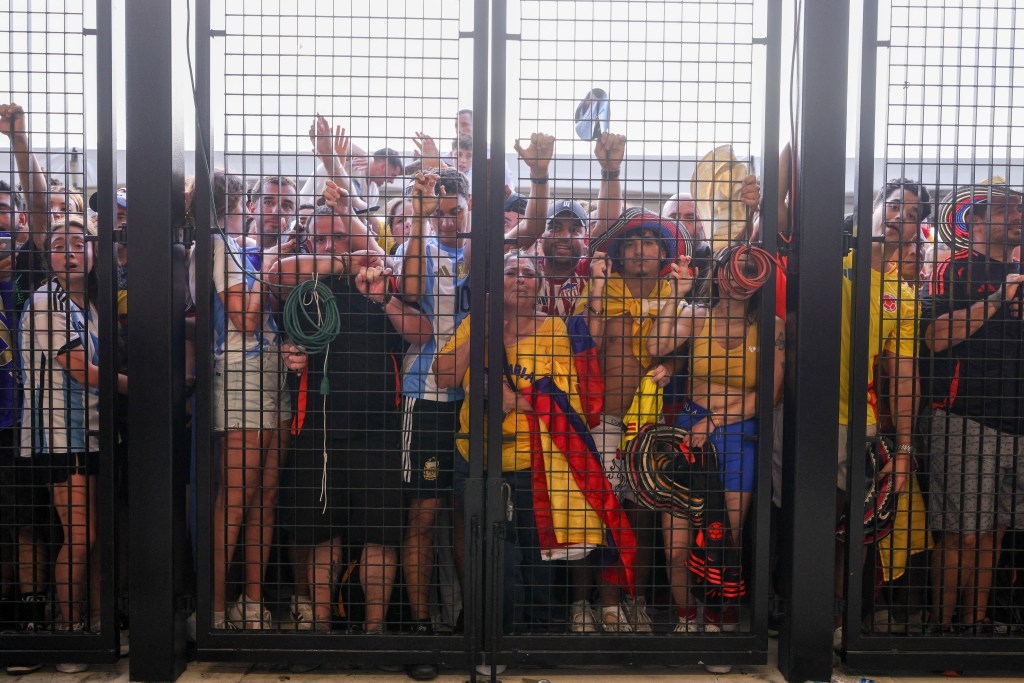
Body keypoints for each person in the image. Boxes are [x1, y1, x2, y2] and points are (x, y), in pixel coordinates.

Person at [435, 249, 633, 634]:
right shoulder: (476, 324)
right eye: (511, 271)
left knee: (536, 553)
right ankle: (489, 631)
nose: (521, 277)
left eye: (529, 273)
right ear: (496, 285)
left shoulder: (554, 330)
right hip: (475, 458)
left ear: (540, 288)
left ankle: (535, 637)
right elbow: (443, 376)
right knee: (487, 551)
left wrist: (512, 400)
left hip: (534, 460)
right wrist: (484, 331)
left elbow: (567, 399)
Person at [272, 189, 428, 634]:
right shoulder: (302, 288)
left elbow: (421, 333)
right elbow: (276, 272)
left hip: (379, 429)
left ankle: (375, 631)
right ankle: (320, 627)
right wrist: (291, 352)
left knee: (381, 536)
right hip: (316, 429)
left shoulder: (383, 279)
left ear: (355, 238)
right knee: (322, 538)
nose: (327, 247)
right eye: (317, 240)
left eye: (337, 238)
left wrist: (382, 298)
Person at [649, 246, 784, 632]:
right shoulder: (697, 314)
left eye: (749, 269)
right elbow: (656, 346)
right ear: (719, 272)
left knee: (723, 537)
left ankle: (715, 614)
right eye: (733, 267)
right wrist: (677, 293)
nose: (740, 277)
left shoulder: (772, 327)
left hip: (739, 434)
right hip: (688, 433)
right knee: (675, 545)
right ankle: (686, 614)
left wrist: (716, 421)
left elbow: (770, 394)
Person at [19, 216, 129, 673]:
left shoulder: (91, 304)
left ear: (94, 251)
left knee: (95, 536)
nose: (69, 251)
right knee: (79, 537)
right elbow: (79, 368)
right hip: (61, 435)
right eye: (59, 244)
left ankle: (97, 628)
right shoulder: (49, 301)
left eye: (78, 243)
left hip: (94, 432)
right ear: (48, 256)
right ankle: (69, 635)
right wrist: (141, 387)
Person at [921, 181, 1024, 634]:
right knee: (962, 532)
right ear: (975, 221)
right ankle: (941, 629)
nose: (1018, 216)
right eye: (1005, 210)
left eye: (1019, 209)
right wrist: (1001, 297)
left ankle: (975, 624)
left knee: (995, 533)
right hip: (965, 417)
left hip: (1018, 422)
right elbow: (934, 338)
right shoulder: (953, 269)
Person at [833, 179, 927, 649]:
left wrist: (905, 448)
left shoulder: (903, 296)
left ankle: (843, 624)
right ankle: (788, 615)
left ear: (916, 231)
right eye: (893, 207)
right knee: (797, 516)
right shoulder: (834, 260)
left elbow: (904, 375)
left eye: (911, 215)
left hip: (860, 425)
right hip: (804, 414)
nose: (899, 218)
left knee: (854, 528)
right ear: (872, 208)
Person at [192, 170, 281, 629]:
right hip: (241, 376)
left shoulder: (240, 246)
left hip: (275, 375)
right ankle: (214, 606)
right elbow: (244, 321)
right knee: (237, 495)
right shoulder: (214, 245)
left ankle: (253, 601)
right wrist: (270, 270)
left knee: (265, 494)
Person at [247, 175, 298, 250]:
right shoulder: (236, 257)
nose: (276, 211)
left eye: (286, 205)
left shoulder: (307, 259)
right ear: (252, 208)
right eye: (268, 203)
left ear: (295, 214)